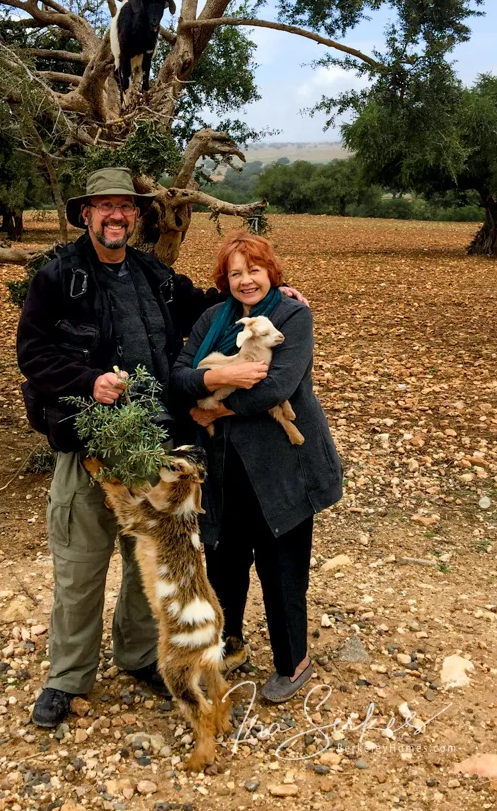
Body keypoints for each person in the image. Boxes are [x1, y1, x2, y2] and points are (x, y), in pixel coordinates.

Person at [17, 168, 306, 727]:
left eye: (125, 206)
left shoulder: (153, 273)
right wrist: (88, 382)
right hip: (91, 449)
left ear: (136, 216)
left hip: (154, 448)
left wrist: (274, 296)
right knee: (81, 563)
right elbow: (33, 353)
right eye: (104, 206)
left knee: (144, 561)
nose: (116, 216)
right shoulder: (58, 278)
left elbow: (213, 307)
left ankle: (135, 658)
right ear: (85, 215)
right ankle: (66, 677)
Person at [169, 229, 342, 703]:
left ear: (272, 272)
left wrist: (215, 408)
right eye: (236, 272)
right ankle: (231, 645)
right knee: (224, 562)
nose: (247, 280)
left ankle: (293, 662)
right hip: (223, 467)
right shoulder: (212, 318)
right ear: (224, 279)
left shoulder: (292, 315)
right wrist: (219, 375)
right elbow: (180, 374)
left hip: (281, 465)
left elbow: (275, 388)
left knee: (281, 564)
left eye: (255, 270)